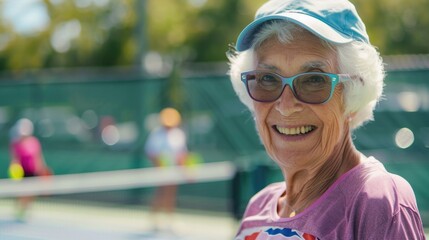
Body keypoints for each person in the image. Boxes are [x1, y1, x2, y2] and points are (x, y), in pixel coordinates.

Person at [228, 0, 426, 239]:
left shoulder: (376, 200)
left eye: (314, 80)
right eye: (267, 79)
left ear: (354, 92)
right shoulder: (258, 207)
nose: (287, 106)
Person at [144, 107, 188, 232]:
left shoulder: (179, 134)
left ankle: (169, 221)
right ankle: (154, 220)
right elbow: (151, 153)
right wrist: (160, 164)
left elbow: (182, 154)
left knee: (171, 195)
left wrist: (184, 168)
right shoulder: (156, 134)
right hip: (161, 171)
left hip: (174, 171)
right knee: (160, 194)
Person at [9, 118, 50, 221]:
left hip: (33, 172)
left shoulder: (34, 142)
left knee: (31, 193)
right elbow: (15, 159)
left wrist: (42, 169)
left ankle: (26, 210)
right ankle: (20, 210)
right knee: (23, 193)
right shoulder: (16, 144)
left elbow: (38, 157)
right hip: (22, 173)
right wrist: (15, 169)